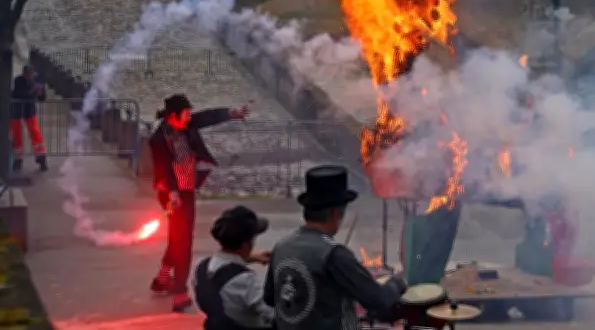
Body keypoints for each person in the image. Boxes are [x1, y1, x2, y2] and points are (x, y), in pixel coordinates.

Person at [264, 165, 406, 330]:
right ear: (336, 214)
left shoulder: (281, 247)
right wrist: (399, 281)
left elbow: (269, 298)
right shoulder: (334, 254)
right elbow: (379, 300)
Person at [148, 94, 250, 312]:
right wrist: (173, 193)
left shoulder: (188, 123)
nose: (189, 118)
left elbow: (208, 116)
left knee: (179, 238)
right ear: (173, 116)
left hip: (186, 191)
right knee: (183, 242)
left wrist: (232, 113)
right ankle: (179, 294)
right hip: (171, 193)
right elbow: (163, 167)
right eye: (185, 114)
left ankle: (162, 278)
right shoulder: (159, 138)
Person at [194, 206, 275, 329]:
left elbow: (223, 266)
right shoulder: (246, 280)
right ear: (246, 244)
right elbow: (272, 314)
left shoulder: (201, 267)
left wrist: (251, 257)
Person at [10, 65, 48, 172]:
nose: (29, 77)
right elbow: (21, 94)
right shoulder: (18, 80)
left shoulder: (38, 80)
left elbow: (42, 98)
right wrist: (33, 90)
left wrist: (40, 92)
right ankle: (18, 160)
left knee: (35, 131)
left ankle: (41, 158)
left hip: (29, 109)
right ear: (24, 74)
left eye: (31, 74)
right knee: (17, 134)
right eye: (27, 74)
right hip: (16, 109)